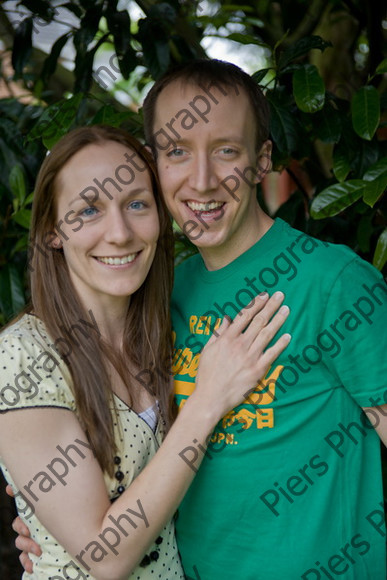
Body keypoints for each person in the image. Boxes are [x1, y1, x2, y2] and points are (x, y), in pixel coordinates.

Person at [13, 60, 387, 579]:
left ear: (262, 162)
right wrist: (47, 519)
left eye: (227, 151)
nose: (203, 180)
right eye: (178, 153)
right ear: (156, 165)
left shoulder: (335, 283)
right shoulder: (161, 295)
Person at [0, 124, 292, 580]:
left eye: (137, 204)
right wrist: (208, 401)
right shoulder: (23, 357)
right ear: (53, 230)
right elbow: (105, 555)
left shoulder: (167, 331)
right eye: (89, 210)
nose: (119, 233)